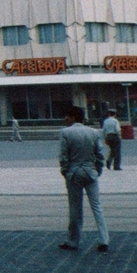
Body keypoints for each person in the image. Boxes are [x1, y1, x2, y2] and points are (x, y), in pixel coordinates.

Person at [58, 107, 109, 253]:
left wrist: (65, 171)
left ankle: (73, 240)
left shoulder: (65, 132)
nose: (65, 119)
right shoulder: (93, 132)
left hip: (73, 172)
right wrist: (97, 170)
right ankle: (103, 239)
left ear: (74, 117)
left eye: (67, 116)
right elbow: (99, 154)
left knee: (75, 208)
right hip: (90, 172)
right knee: (97, 206)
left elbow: (63, 155)